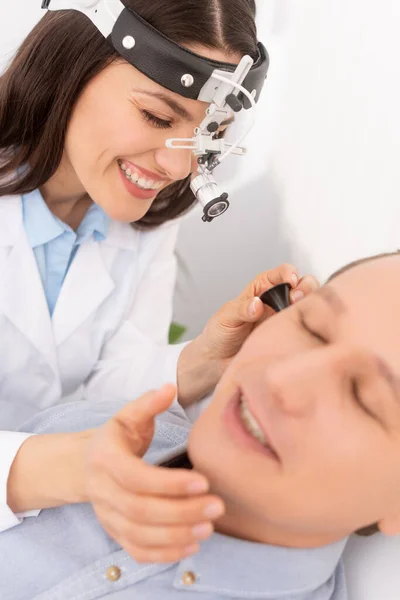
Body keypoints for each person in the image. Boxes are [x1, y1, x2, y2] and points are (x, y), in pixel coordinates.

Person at [0, 0, 318, 533]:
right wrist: (67, 469)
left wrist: (208, 358)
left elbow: (107, 385)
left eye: (206, 134)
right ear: (67, 66)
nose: (177, 167)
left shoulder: (140, 222)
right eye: (156, 116)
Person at [3, 251, 400, 600]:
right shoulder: (85, 429)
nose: (281, 381)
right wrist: (35, 473)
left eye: (363, 399)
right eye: (312, 328)